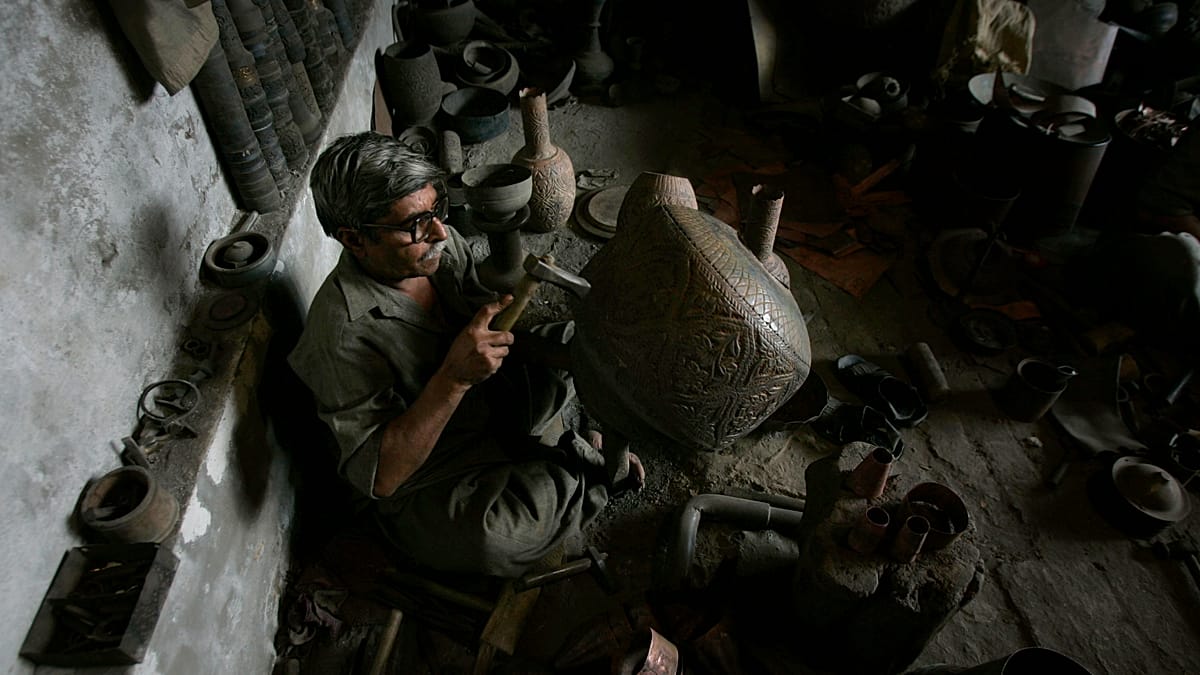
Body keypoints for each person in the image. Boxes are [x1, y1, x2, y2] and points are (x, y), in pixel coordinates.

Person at [288, 132, 641, 578]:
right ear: (354, 240)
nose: (439, 232)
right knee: (492, 538)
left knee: (570, 341)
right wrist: (453, 379)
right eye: (415, 224)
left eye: (437, 209)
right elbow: (383, 477)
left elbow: (497, 330)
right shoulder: (340, 335)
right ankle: (579, 471)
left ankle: (548, 459)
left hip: (485, 398)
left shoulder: (439, 246)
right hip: (432, 466)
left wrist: (575, 359)